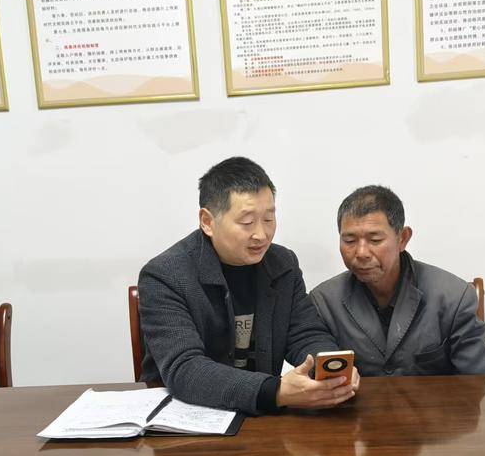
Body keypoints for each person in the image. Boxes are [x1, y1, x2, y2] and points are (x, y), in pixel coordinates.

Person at [138, 157, 360, 414]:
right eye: (246, 222)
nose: (261, 235)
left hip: (259, 417)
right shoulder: (165, 275)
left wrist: (330, 370)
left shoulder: (282, 264)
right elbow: (186, 369)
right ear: (207, 222)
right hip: (183, 417)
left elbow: (305, 334)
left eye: (268, 219)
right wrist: (276, 392)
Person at [310, 185, 485, 377]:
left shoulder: (453, 297)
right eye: (349, 241)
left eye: (375, 240)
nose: (361, 253)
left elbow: (481, 382)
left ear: (403, 238)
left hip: (434, 399)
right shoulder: (323, 302)